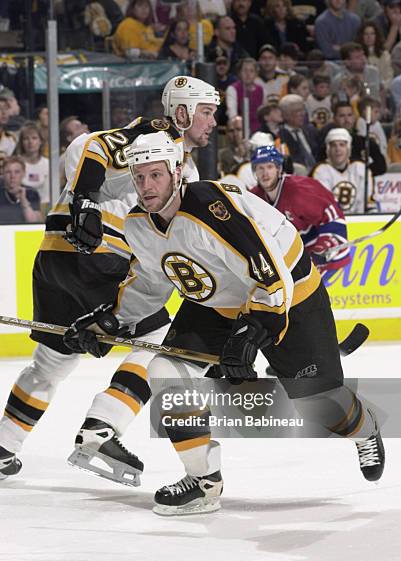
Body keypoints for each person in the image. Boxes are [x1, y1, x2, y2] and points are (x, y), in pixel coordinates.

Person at [63, 130, 385, 515]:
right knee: (167, 372)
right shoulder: (138, 226)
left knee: (318, 403)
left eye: (156, 175)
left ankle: (367, 429)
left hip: (290, 295)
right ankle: (203, 482)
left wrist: (253, 332)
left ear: (177, 171)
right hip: (217, 304)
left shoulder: (210, 207)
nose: (146, 186)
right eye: (139, 176)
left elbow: (271, 275)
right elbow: (147, 285)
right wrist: (109, 323)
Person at [0, 76, 221, 484]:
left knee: (49, 364)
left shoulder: (167, 151)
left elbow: (87, 153)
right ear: (183, 111)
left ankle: (3, 447)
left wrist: (82, 200)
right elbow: (92, 146)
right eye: (206, 112)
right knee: (161, 344)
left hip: (56, 256)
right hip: (100, 257)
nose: (212, 122)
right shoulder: (160, 138)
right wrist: (86, 200)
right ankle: (102, 428)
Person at [249, 145, 350, 274]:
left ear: (279, 169)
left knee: (304, 292)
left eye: (270, 167)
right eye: (260, 168)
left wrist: (323, 246)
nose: (265, 173)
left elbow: (333, 217)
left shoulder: (300, 190)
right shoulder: (253, 199)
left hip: (322, 253)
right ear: (254, 172)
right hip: (295, 255)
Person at [311, 128, 378, 214]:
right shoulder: (320, 170)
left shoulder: (361, 169)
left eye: (342, 145)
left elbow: (369, 204)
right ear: (328, 149)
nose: (338, 149)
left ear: (348, 148)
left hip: (359, 221)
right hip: (331, 223)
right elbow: (323, 206)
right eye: (333, 145)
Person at [15, 122, 49, 213]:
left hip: (44, 209)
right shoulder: (15, 164)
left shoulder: (48, 164)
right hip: (19, 209)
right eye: (26, 138)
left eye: (34, 138)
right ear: (21, 143)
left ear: (40, 141)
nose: (30, 142)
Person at [0, 156, 42, 225]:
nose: (12, 176)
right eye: (8, 172)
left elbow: (35, 223)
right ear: (3, 174)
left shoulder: (31, 193)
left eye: (17, 172)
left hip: (23, 234)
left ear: (23, 173)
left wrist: (24, 200)